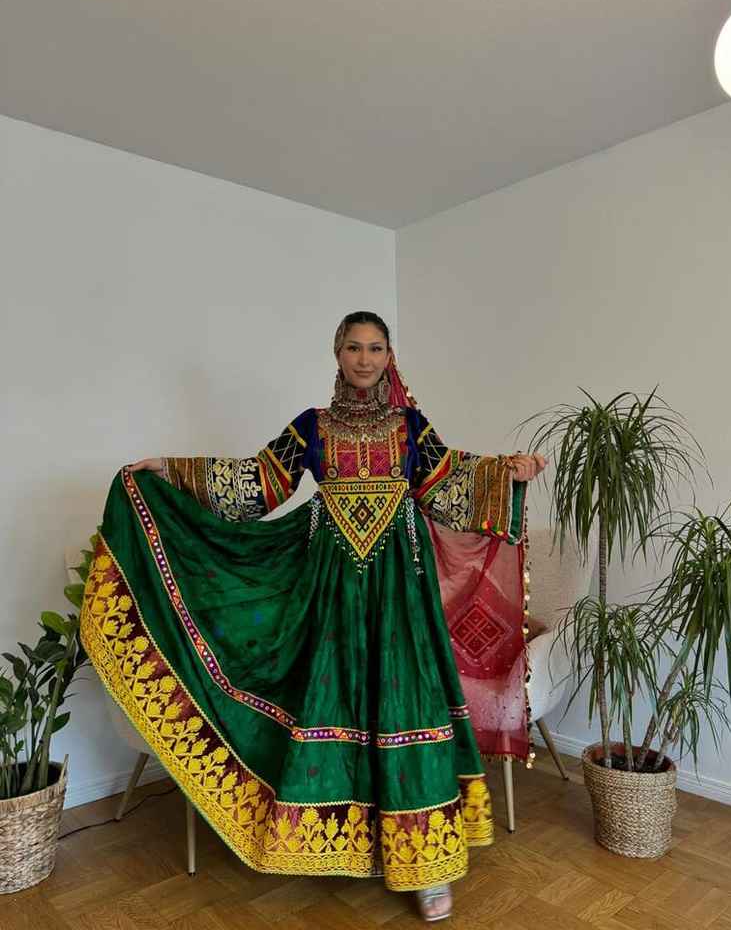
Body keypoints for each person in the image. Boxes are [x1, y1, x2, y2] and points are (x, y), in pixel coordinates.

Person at [82, 311, 545, 923]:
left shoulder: (410, 428)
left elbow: (448, 486)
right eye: (354, 347)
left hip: (400, 588)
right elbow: (254, 484)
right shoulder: (313, 426)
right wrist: (173, 470)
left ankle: (426, 863)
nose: (364, 359)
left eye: (375, 348)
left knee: (407, 700)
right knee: (332, 693)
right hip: (330, 583)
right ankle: (339, 837)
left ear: (389, 356)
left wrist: (505, 472)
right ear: (337, 352)